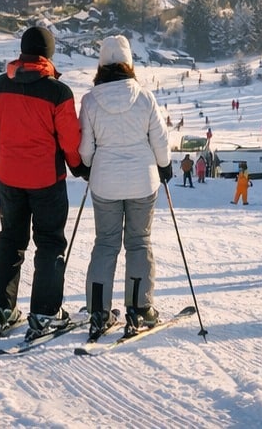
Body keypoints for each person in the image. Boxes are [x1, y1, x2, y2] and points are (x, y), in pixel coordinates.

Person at [0, 25, 86, 342]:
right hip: (46, 179)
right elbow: (70, 139)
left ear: (22, 52)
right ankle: (45, 312)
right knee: (50, 242)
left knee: (10, 240)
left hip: (9, 178)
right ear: (48, 54)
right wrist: (78, 165)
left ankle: (2, 310)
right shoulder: (58, 92)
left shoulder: (0, 85)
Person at [77, 34, 172, 340]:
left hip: (105, 182)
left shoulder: (91, 100)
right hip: (143, 181)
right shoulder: (144, 97)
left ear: (101, 64)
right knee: (138, 242)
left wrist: (88, 166)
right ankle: (139, 307)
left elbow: (85, 149)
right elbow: (160, 139)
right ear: (130, 62)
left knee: (105, 244)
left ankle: (98, 311)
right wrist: (165, 165)